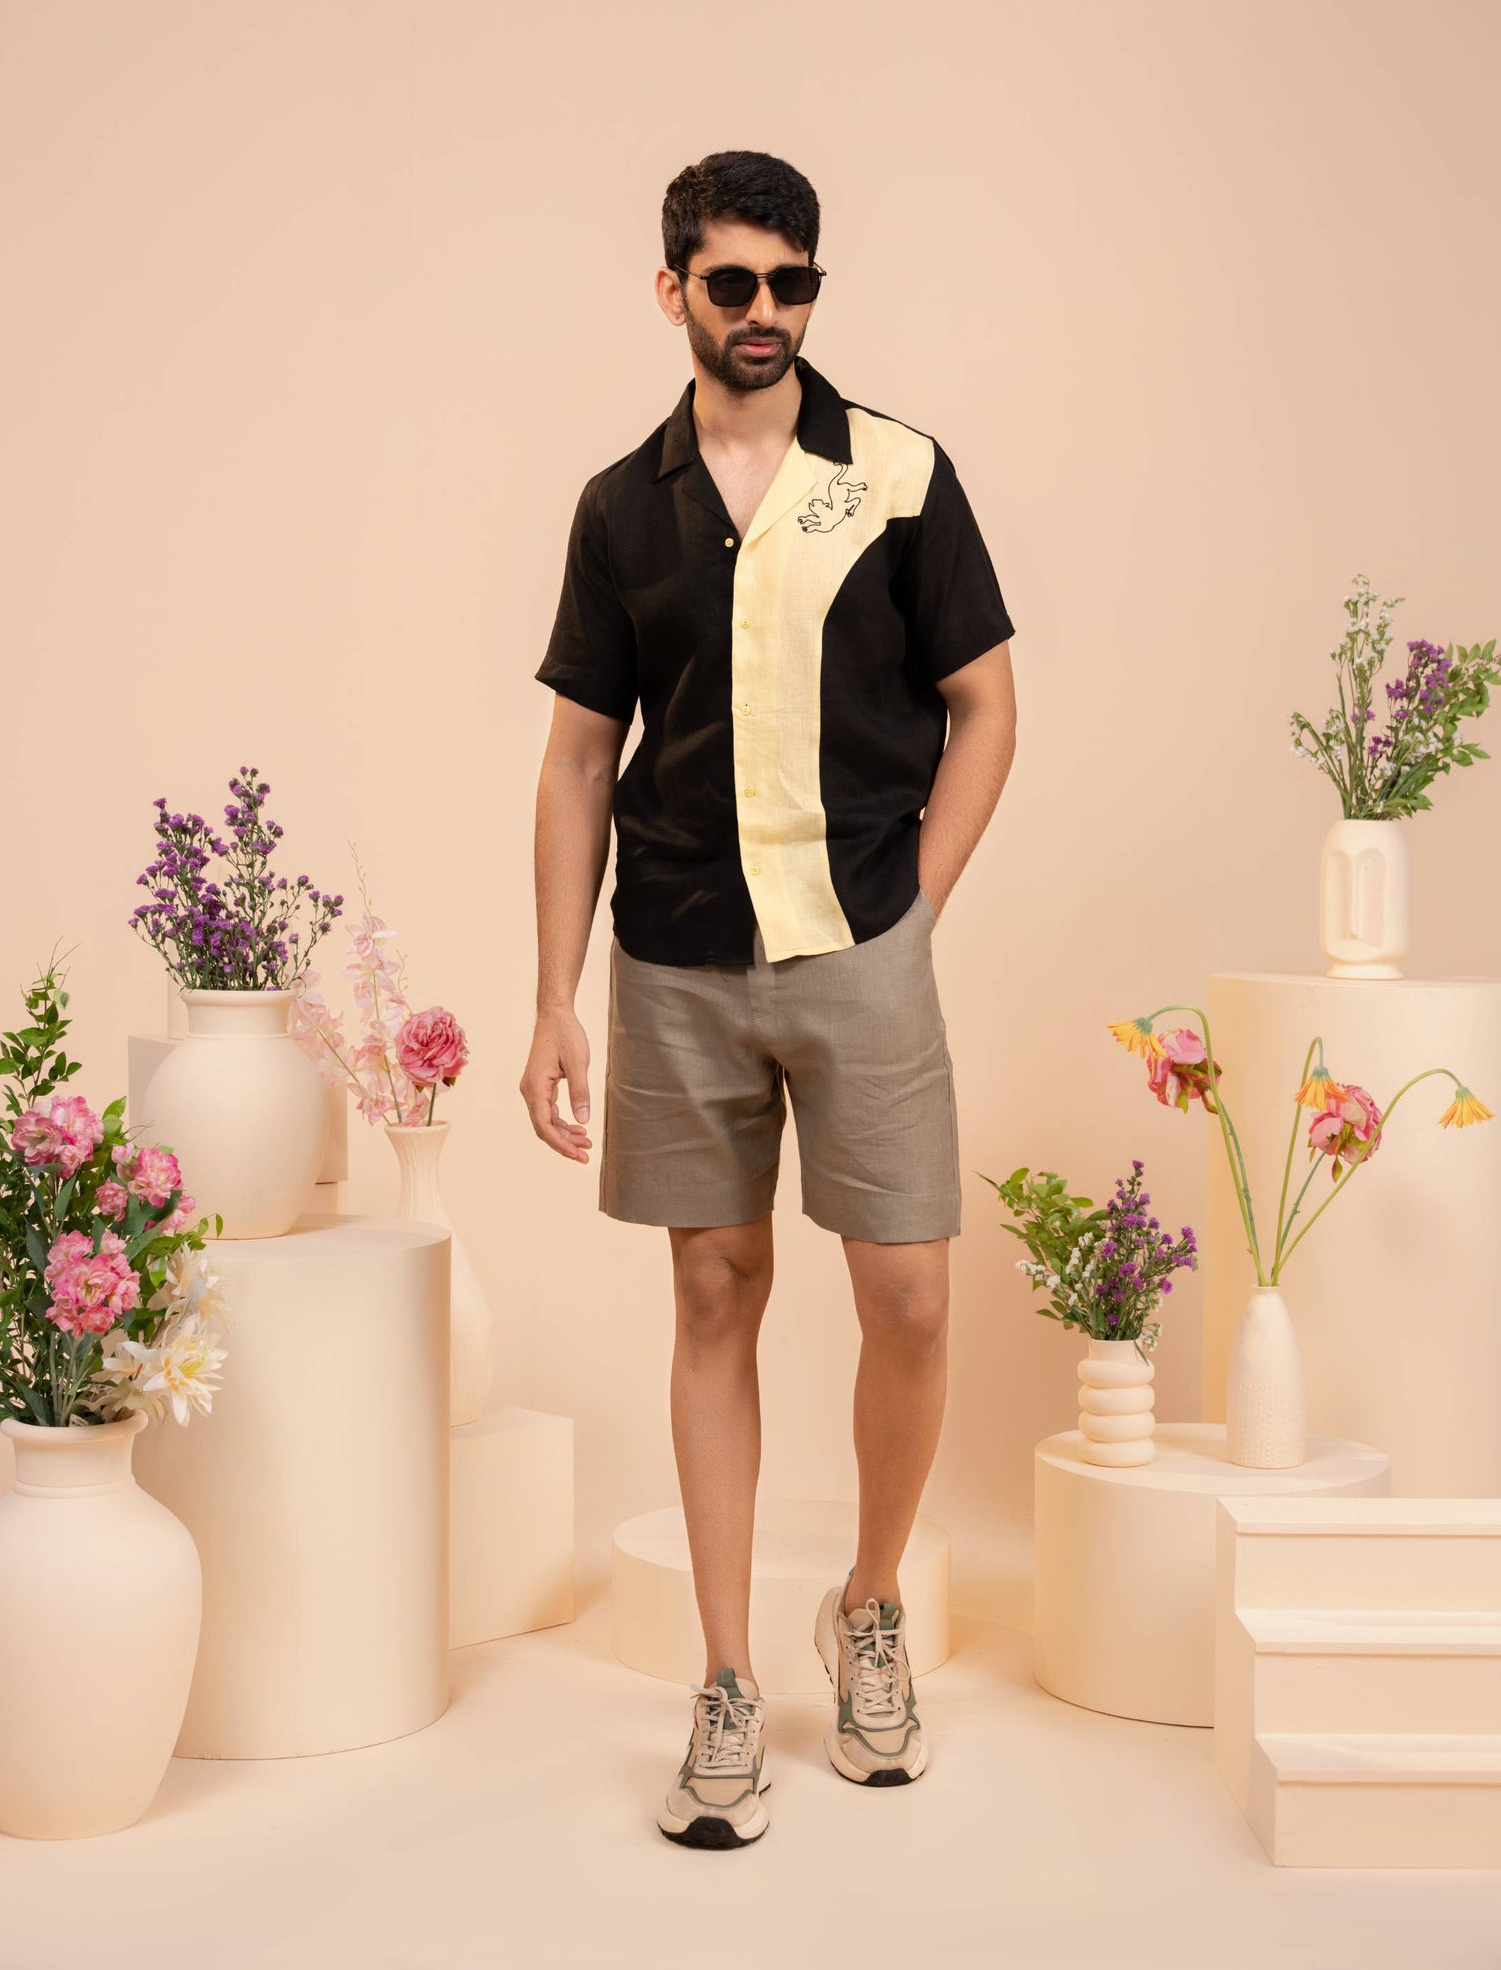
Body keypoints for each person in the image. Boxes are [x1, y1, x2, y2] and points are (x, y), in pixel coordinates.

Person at [521, 149, 1017, 1848]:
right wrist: (552, 997)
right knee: (713, 1292)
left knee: (911, 1300)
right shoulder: (620, 507)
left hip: (858, 938)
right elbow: (578, 758)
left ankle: (866, 1607)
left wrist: (915, 908)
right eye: (731, 282)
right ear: (672, 288)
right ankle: (726, 1681)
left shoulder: (896, 474)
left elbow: (985, 702)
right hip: (674, 952)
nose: (763, 312)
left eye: (790, 283)